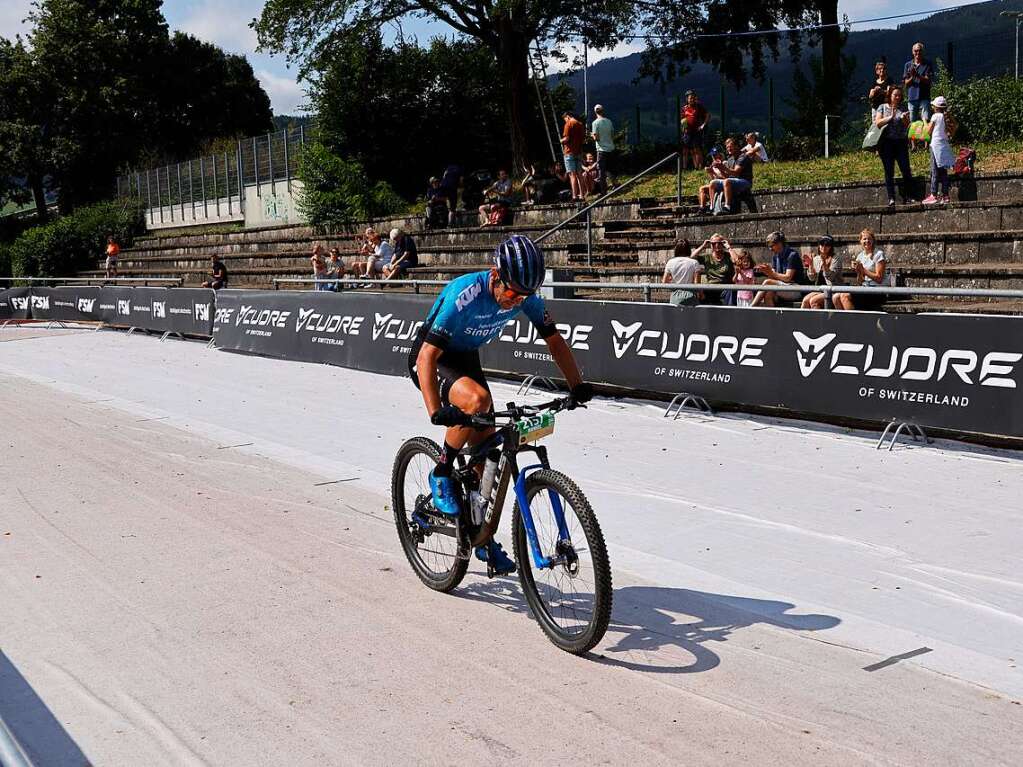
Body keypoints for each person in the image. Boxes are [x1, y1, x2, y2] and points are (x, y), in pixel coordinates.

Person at [409, 235, 592, 575]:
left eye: (524, 296)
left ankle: (481, 534)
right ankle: (441, 472)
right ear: (495, 275)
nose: (516, 301)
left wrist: (577, 386)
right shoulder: (465, 295)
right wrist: (436, 411)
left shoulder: (524, 296)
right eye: (511, 293)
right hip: (434, 360)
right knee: (477, 401)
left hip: (466, 360)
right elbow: (427, 355)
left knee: (487, 451)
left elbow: (555, 340)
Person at [875, 87, 913, 207]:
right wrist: (890, 118)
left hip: (901, 142)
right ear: (890, 95)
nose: (897, 97)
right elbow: (878, 123)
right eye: (895, 95)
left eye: (899, 95)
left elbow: (908, 126)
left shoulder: (903, 108)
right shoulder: (882, 107)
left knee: (905, 169)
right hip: (886, 143)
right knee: (889, 170)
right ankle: (891, 197)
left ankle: (909, 195)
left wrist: (904, 119)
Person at [750, 231, 808, 307]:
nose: (770, 249)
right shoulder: (775, 256)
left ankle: (752, 307)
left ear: (779, 243)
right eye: (769, 246)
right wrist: (766, 272)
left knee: (767, 282)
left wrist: (771, 273)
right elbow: (773, 276)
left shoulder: (792, 255)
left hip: (796, 289)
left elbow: (788, 278)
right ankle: (773, 318)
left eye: (772, 246)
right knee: (768, 294)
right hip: (783, 287)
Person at [837, 228, 888, 311]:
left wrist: (863, 270)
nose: (867, 241)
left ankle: (853, 322)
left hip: (877, 290)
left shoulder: (878, 254)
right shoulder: (860, 256)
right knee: (836, 297)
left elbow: (879, 278)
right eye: (864, 239)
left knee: (844, 296)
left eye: (869, 239)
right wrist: (858, 270)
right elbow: (860, 281)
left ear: (873, 241)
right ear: (860, 241)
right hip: (865, 288)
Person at [923, 96, 954, 205]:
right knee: (943, 171)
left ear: (935, 107)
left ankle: (933, 194)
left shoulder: (935, 116)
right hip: (944, 146)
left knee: (934, 170)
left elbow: (928, 131)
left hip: (935, 146)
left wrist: (924, 121)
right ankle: (945, 195)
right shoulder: (946, 117)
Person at [800, 235, 845, 310]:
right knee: (805, 301)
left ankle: (820, 321)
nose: (824, 246)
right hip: (819, 289)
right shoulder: (816, 259)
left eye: (827, 245)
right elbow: (812, 278)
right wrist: (811, 264)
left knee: (814, 301)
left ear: (831, 247)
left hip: (834, 289)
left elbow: (830, 277)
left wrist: (824, 263)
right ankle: (802, 321)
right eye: (821, 244)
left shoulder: (836, 259)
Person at [715, 137, 755, 215]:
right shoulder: (730, 159)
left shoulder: (743, 157)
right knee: (713, 183)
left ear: (737, 146)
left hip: (745, 181)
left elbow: (736, 173)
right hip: (733, 181)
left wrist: (723, 167)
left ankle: (727, 207)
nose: (728, 149)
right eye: (727, 147)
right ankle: (712, 209)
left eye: (730, 146)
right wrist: (720, 168)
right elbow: (727, 176)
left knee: (727, 181)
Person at [692, 234, 734, 305]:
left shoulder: (728, 256)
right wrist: (703, 246)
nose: (716, 245)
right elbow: (691, 258)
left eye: (719, 243)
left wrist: (729, 248)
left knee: (731, 291)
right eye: (714, 243)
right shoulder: (707, 257)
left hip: (725, 288)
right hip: (711, 287)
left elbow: (737, 260)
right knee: (700, 293)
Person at [662, 239, 703, 307]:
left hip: (675, 295)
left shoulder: (670, 262)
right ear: (688, 249)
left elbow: (664, 282)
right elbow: (697, 284)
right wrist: (701, 294)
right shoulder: (694, 262)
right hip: (691, 295)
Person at [903, 43, 933, 132]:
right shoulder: (908, 65)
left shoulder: (928, 64)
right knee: (913, 121)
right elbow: (906, 83)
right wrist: (913, 77)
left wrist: (917, 75)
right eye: (916, 51)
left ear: (922, 52)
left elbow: (928, 81)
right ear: (913, 52)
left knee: (926, 120)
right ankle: (914, 145)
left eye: (920, 50)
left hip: (924, 96)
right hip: (912, 97)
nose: (918, 52)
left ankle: (926, 143)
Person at [680, 90, 709, 170]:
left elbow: (707, 115)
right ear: (687, 99)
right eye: (690, 98)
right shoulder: (684, 108)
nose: (691, 99)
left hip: (696, 131)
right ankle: (684, 168)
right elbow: (682, 119)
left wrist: (703, 125)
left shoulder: (699, 106)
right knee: (685, 150)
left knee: (696, 149)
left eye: (693, 98)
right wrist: (684, 127)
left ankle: (699, 167)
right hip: (687, 132)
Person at [560, 111, 586, 201]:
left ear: (567, 116)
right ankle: (582, 196)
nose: (565, 121)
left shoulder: (568, 124)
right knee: (580, 175)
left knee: (572, 175)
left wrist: (561, 140)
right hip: (578, 152)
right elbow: (583, 140)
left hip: (569, 152)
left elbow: (566, 139)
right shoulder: (580, 124)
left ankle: (574, 196)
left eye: (565, 119)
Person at [590, 104, 614, 193]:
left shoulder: (595, 123)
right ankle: (615, 184)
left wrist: (592, 135)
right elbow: (612, 135)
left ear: (595, 112)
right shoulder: (609, 121)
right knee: (610, 168)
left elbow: (596, 138)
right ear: (602, 111)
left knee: (601, 170)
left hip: (601, 150)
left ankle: (603, 191)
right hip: (611, 148)